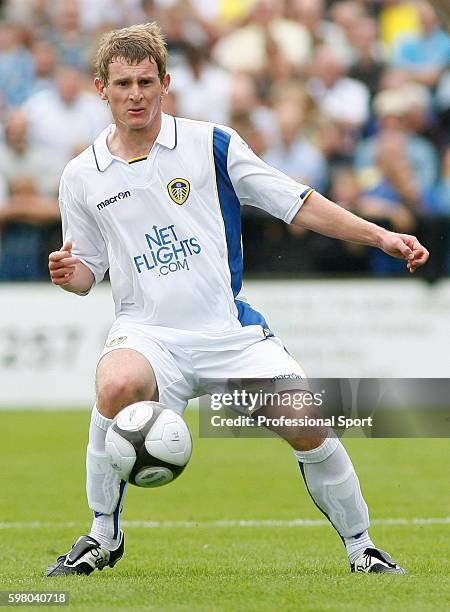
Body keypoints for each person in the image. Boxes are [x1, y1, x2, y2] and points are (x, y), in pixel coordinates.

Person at [46, 23, 429, 578]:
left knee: (307, 421)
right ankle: (101, 536)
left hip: (228, 332)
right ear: (101, 88)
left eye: (146, 82)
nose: (135, 95)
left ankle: (361, 547)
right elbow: (87, 275)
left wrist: (381, 236)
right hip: (149, 333)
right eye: (123, 83)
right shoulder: (81, 175)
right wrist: (69, 273)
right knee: (117, 385)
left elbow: (296, 202)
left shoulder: (209, 143)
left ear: (166, 84)